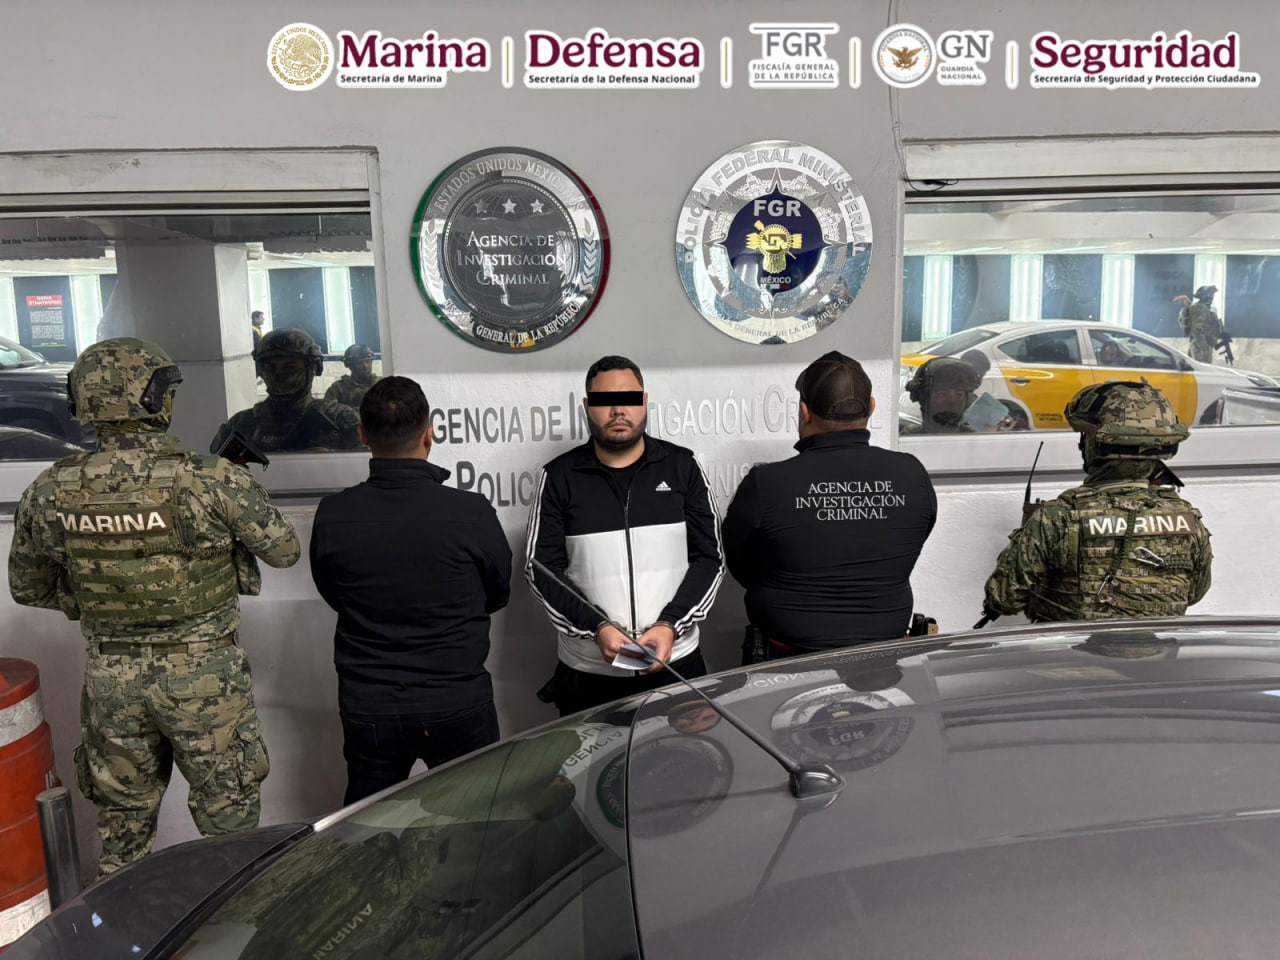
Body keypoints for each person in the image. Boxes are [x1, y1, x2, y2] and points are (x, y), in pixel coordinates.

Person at [7, 338, 301, 876]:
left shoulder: (49, 489)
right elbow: (284, 552)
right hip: (204, 678)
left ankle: (122, 923)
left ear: (81, 400)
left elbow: (28, 588)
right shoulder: (210, 478)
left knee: (122, 837)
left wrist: (99, 598)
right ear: (155, 397)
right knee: (231, 832)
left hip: (112, 679)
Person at [309, 377, 511, 804]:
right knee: (475, 823)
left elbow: (334, 595)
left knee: (368, 827)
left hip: (371, 707)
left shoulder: (333, 514)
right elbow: (497, 594)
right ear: (429, 434)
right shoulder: (471, 512)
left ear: (362, 435)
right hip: (457, 700)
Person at [525, 355, 724, 717]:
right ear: (587, 406)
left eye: (629, 399)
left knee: (684, 755)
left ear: (644, 401)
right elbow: (541, 568)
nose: (618, 410)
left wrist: (670, 625)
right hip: (589, 673)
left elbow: (710, 559)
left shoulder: (682, 466)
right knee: (591, 757)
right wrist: (597, 627)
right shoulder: (559, 476)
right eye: (605, 401)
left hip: (676, 665)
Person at [722, 350, 937, 656]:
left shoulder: (766, 482)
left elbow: (739, 560)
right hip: (886, 657)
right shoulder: (912, 473)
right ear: (872, 408)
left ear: (804, 412)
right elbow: (916, 536)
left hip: (786, 661)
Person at [983, 381, 1212, 623]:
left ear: (1094, 445)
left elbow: (1004, 598)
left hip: (1071, 646)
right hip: (1156, 647)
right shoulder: (1187, 518)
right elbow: (1194, 593)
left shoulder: (1059, 517)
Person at [210, 328, 361, 454]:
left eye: (290, 367)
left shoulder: (340, 419)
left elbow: (363, 468)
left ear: (314, 368)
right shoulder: (240, 425)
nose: (279, 374)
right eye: (270, 367)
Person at [901, 355, 985, 433]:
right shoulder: (906, 440)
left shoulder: (974, 438)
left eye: (958, 395)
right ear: (923, 399)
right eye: (942, 395)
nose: (952, 402)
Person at [1175, 285, 1224, 364]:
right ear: (1206, 296)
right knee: (1203, 369)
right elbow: (1197, 329)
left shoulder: (1202, 307)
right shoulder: (1201, 308)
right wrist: (1204, 348)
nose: (1212, 297)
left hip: (1201, 344)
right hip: (1200, 346)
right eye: (1210, 294)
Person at [324, 344, 379, 410]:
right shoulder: (338, 388)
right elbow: (327, 409)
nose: (365, 366)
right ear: (350, 365)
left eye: (368, 361)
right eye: (360, 363)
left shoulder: (380, 385)